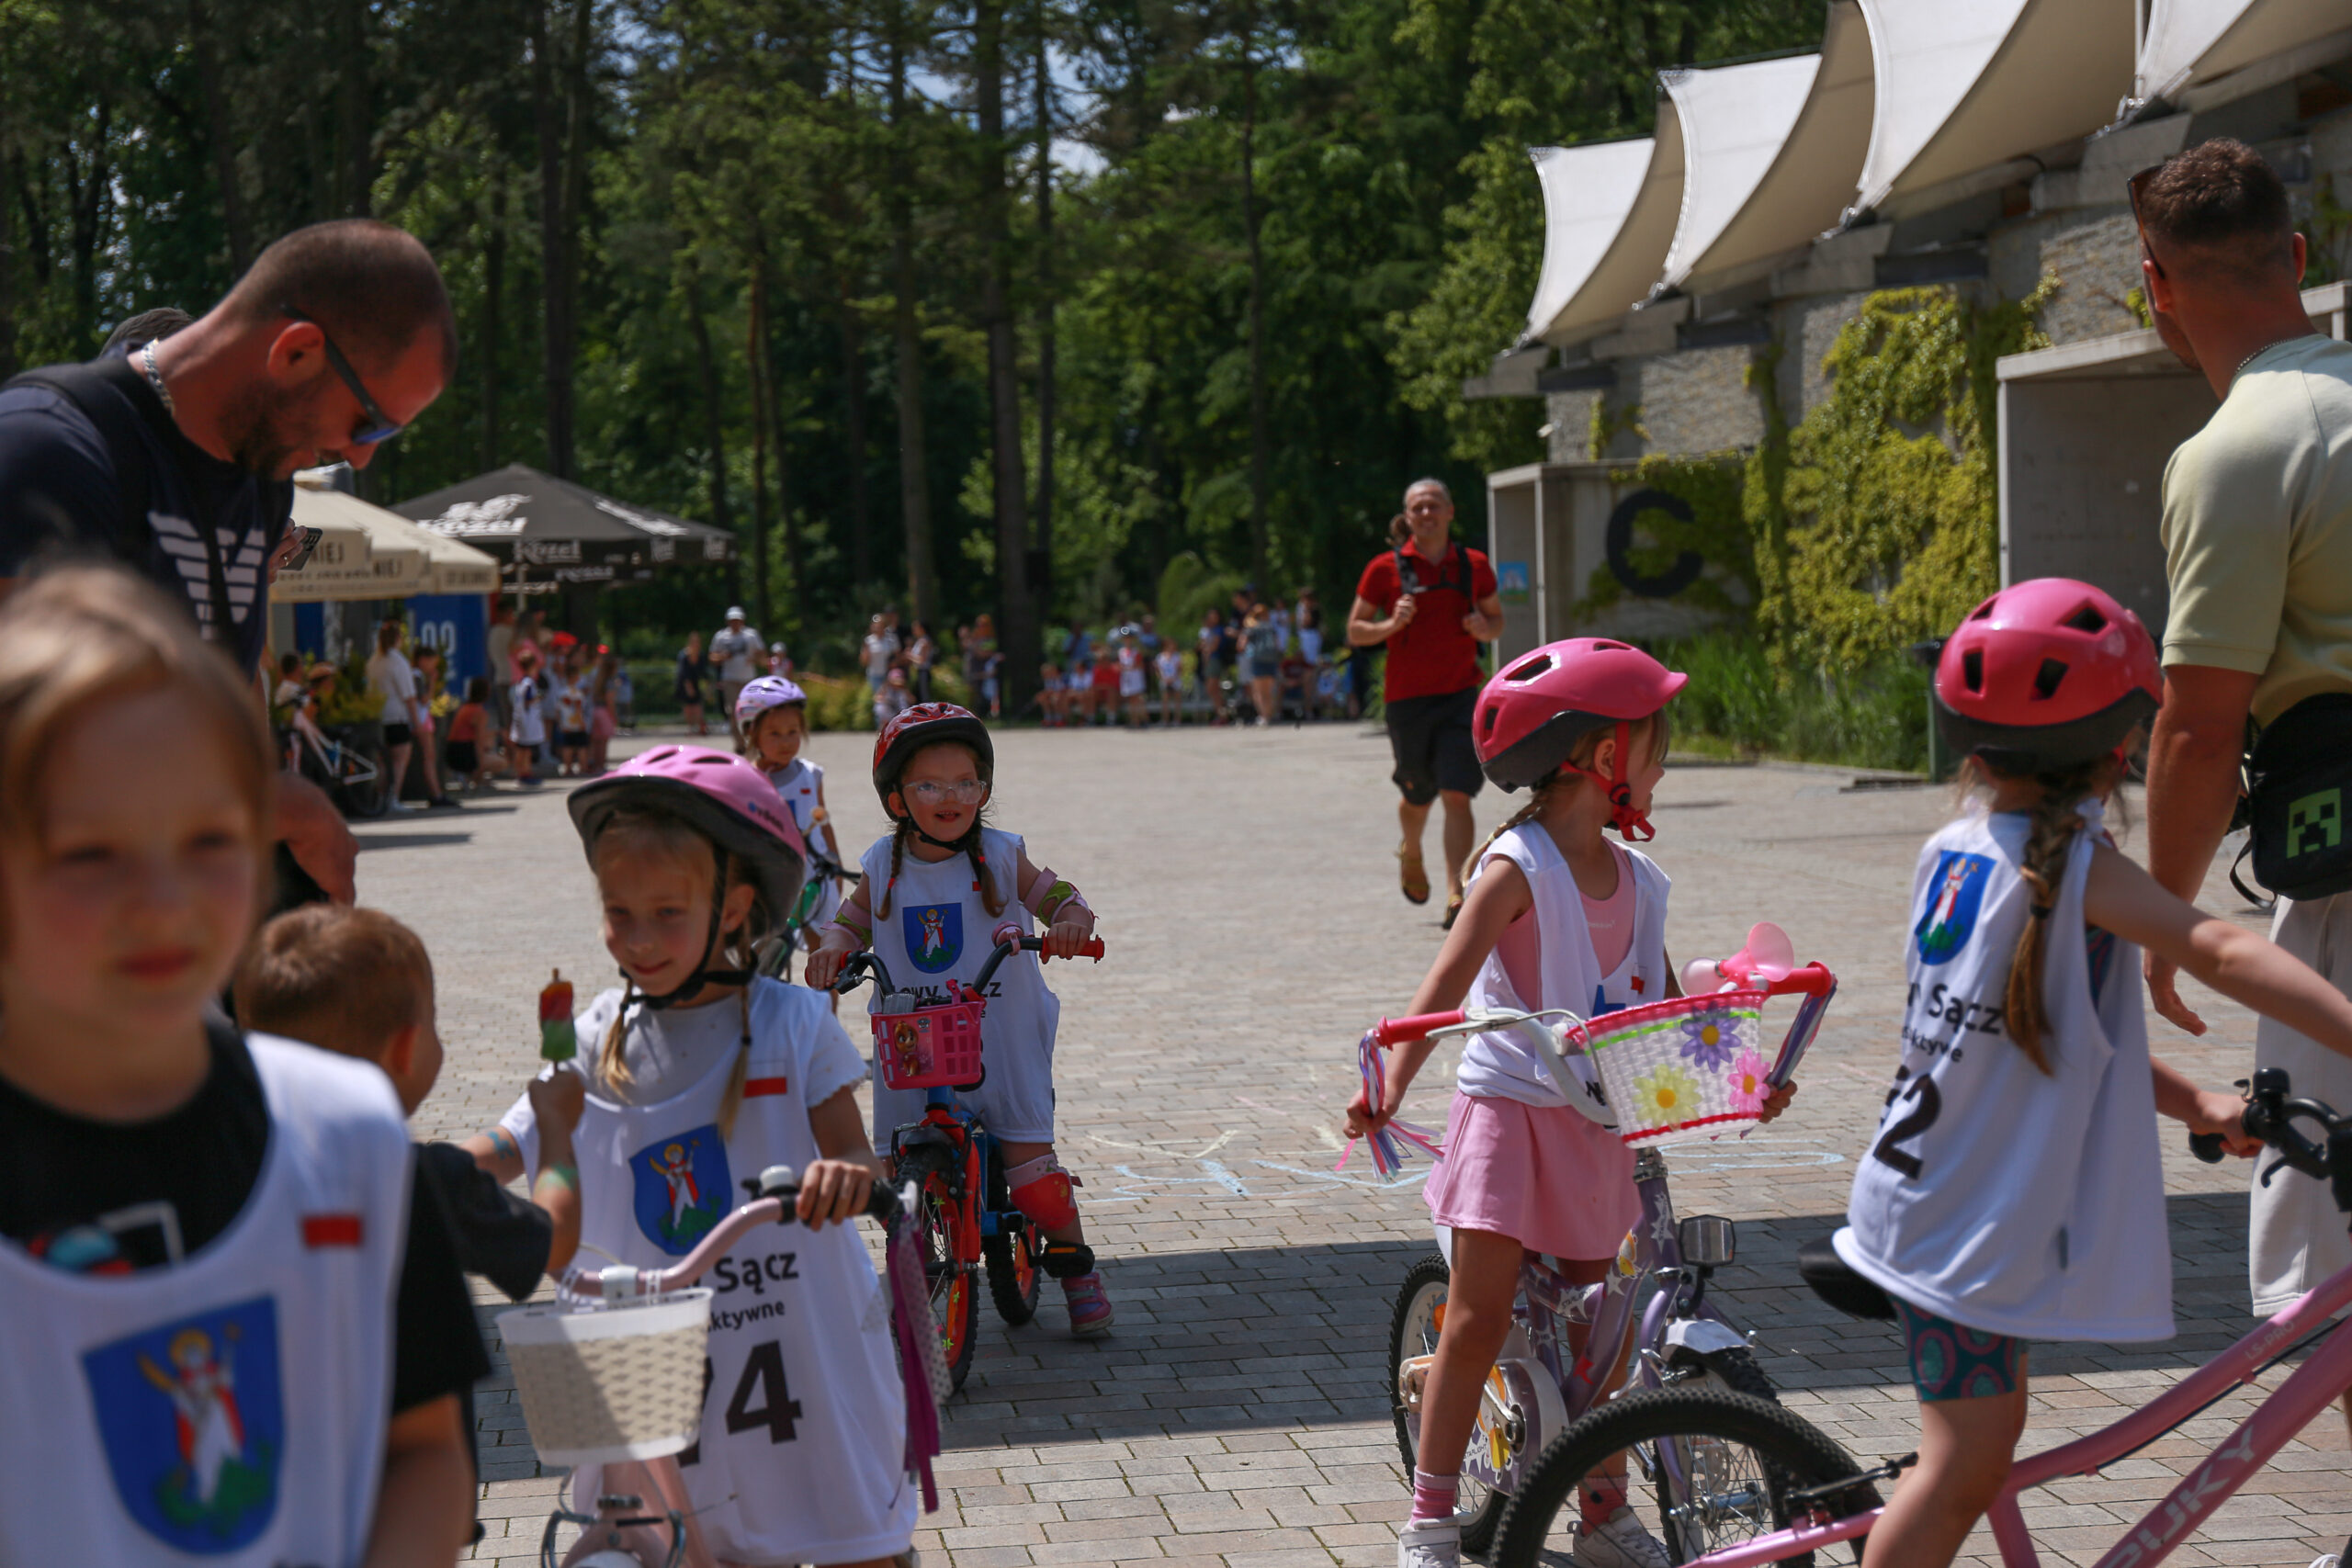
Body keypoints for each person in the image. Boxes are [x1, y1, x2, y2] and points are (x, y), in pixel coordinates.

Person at [1830, 580, 2352, 1568]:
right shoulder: (2075, 868)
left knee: (1982, 1451)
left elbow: (2040, 1034)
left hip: (1941, 1203)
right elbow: (2221, 948)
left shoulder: (1956, 850)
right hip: (1960, 1231)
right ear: (2122, 747)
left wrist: (2198, 1100)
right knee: (1959, 1470)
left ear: (1971, 748)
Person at [0, 566, 477, 1564]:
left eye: (211, 837)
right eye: (91, 852)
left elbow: (425, 1453)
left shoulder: (349, 1133)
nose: (164, 899)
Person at [1344, 637, 1749, 1568]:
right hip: (1509, 1118)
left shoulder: (1639, 881)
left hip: (1595, 1129)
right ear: (1606, 757)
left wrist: (1740, 1077)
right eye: (1655, 748)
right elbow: (1442, 989)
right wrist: (1389, 1084)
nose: (1663, 766)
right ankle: (1430, 1520)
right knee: (1478, 1318)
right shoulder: (1515, 867)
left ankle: (1602, 1514)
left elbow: (1657, 1017)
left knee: (1600, 1332)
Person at [477, 745, 918, 1568]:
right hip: (648, 1375)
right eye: (618, 912)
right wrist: (413, 1176)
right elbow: (509, 1143)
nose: (638, 939)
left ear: (734, 906)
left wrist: (848, 1177)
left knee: (855, 1541)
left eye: (666, 912)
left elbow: (858, 1155)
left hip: (796, 1362)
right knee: (638, 1538)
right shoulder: (594, 1038)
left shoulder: (793, 1025)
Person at [0, 220, 458, 905]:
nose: (361, 456)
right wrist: (254, 806)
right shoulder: (47, 448)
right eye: (372, 423)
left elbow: (235, 703)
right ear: (297, 352)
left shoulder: (262, 483)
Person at [2130, 141, 2352, 1342]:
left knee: (2335, 1261)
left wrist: (2166, 926)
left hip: (2343, 880)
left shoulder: (2238, 450)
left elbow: (2202, 726)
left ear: (2155, 284)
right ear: (2298, 255)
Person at [808, 704, 1114, 1337]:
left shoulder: (1000, 855)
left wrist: (1070, 922)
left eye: (965, 783)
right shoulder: (882, 865)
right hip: (913, 1042)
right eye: (929, 785)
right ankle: (922, 1265)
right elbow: (849, 922)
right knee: (898, 1173)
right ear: (897, 798)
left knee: (1032, 1177)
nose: (951, 797)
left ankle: (1076, 1267)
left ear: (984, 790)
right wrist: (833, 947)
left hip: (999, 1037)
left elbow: (1058, 896)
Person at [234, 903, 585, 1300]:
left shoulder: (239, 1170)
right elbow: (556, 1239)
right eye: (433, 1019)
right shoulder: (424, 1181)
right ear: (406, 1049)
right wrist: (555, 1126)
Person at [1350, 479, 1504, 927]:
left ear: (1450, 512)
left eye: (1434, 505)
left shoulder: (1474, 565)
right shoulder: (1383, 569)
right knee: (1417, 797)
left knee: (1457, 793)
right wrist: (1390, 625)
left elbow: (1496, 620)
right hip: (1407, 700)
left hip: (1461, 695)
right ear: (1407, 516)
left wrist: (1483, 627)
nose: (1426, 513)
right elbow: (1356, 630)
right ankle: (1412, 849)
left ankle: (1457, 892)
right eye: (1417, 507)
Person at [738, 677, 850, 965]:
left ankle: (825, 996)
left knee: (823, 949)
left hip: (814, 876)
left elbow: (823, 821)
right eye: (774, 733)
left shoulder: (811, 775)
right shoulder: (746, 780)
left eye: (793, 732)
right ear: (751, 732)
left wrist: (836, 864)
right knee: (760, 950)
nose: (786, 741)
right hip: (768, 881)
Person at [366, 618, 427, 813]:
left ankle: (380, 797)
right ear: (399, 638)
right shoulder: (398, 662)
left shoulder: (374, 661)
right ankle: (393, 798)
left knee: (383, 762)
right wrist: (417, 723)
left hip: (378, 716)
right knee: (399, 760)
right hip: (397, 716)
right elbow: (409, 696)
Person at [446, 676, 499, 789]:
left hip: (452, 752)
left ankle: (470, 774)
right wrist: (480, 762)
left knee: (490, 736)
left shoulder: (465, 708)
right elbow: (479, 740)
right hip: (465, 753)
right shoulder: (479, 712)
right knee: (501, 762)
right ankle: (474, 776)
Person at [709, 605, 763, 717]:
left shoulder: (751, 635)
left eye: (737, 620)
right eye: (732, 621)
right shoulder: (721, 636)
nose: (735, 623)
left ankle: (747, 727)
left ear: (742, 621)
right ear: (728, 622)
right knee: (734, 709)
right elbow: (712, 657)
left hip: (748, 678)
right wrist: (722, 657)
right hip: (730, 678)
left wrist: (754, 659)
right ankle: (735, 728)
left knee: (749, 708)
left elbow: (762, 653)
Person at [508, 641, 546, 785]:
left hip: (521, 720)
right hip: (527, 721)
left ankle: (522, 772)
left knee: (522, 749)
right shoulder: (529, 683)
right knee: (525, 750)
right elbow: (528, 701)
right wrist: (539, 697)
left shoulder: (521, 682)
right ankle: (524, 773)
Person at [1239, 603, 1283, 726]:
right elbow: (1278, 645)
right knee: (1269, 692)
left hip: (1257, 660)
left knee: (1258, 692)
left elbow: (1242, 645)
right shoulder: (1271, 628)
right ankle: (1269, 715)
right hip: (1271, 660)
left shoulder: (1252, 628)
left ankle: (1263, 717)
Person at [551, 645, 591, 778]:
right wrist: (582, 722)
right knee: (581, 747)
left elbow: (557, 709)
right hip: (577, 724)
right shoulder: (577, 693)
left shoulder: (561, 692)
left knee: (567, 747)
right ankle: (583, 767)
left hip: (565, 724)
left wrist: (560, 723)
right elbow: (579, 708)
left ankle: (567, 768)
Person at [588, 646, 620, 774]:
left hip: (595, 710)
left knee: (596, 741)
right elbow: (610, 702)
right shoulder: (610, 682)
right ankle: (601, 765)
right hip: (604, 712)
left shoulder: (598, 679)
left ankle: (595, 765)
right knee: (603, 741)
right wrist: (614, 716)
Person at [488, 601, 515, 729]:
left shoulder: (492, 632)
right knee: (513, 717)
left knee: (505, 717)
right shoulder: (509, 633)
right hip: (512, 678)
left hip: (500, 677)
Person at [676, 628, 708, 736]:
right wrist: (689, 687)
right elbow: (683, 673)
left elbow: (704, 672)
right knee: (688, 707)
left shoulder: (701, 655)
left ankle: (700, 727)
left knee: (698, 706)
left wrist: (707, 686)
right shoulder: (684, 655)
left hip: (696, 683)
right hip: (684, 684)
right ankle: (690, 727)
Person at [861, 613, 899, 696]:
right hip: (874, 674)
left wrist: (894, 663)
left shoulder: (890, 639)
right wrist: (866, 652)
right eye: (876, 625)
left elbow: (897, 655)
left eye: (880, 625)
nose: (878, 627)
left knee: (890, 697)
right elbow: (864, 662)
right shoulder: (868, 641)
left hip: (888, 674)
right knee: (880, 697)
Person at [1155, 637, 1184, 728]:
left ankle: (1177, 720)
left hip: (1175, 681)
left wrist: (1174, 678)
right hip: (1164, 681)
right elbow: (1157, 670)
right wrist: (1163, 679)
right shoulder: (1160, 656)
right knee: (1165, 701)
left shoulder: (1177, 656)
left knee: (1177, 701)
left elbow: (1180, 669)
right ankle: (1165, 720)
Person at [873, 663, 911, 729]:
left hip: (900, 710)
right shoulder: (885, 688)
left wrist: (906, 694)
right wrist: (886, 700)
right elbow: (876, 698)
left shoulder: (903, 689)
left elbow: (912, 700)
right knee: (881, 708)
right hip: (888, 709)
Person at [908, 620, 936, 703]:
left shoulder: (925, 641)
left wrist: (909, 656)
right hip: (919, 672)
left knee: (924, 698)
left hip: (924, 672)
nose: (913, 630)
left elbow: (922, 660)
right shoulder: (920, 640)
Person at [1295, 585, 1323, 665]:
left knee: (1310, 659)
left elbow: (1307, 622)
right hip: (1306, 634)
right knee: (1306, 657)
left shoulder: (1313, 608)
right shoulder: (1301, 606)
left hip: (1311, 634)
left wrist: (1307, 610)